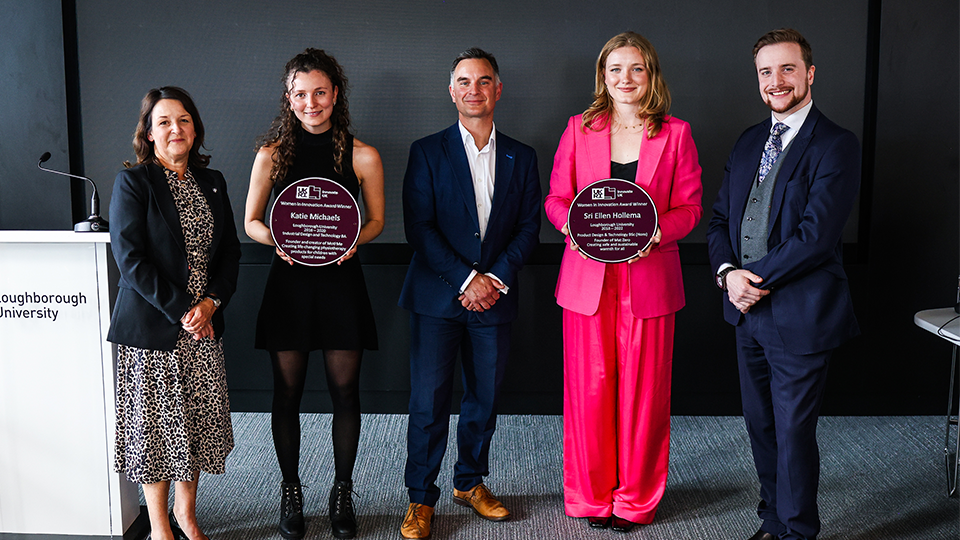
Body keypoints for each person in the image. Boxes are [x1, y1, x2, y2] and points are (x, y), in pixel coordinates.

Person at [544, 32, 702, 532]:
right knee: (589, 393)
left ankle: (634, 501)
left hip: (649, 280)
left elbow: (692, 209)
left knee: (643, 397)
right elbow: (554, 199)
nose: (625, 79)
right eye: (615, 69)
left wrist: (659, 232)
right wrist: (569, 222)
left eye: (635, 69)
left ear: (650, 74)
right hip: (588, 282)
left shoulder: (676, 133)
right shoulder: (579, 128)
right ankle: (590, 498)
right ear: (603, 76)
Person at [706, 29, 860, 540]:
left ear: (810, 74)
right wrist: (729, 277)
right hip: (745, 310)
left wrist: (755, 280)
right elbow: (719, 220)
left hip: (800, 313)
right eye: (766, 72)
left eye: (788, 69)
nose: (777, 81)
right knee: (762, 425)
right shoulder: (750, 140)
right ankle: (773, 519)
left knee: (794, 431)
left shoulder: (836, 144)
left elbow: (816, 237)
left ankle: (797, 531)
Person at [397, 47, 541, 539]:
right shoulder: (426, 151)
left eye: (483, 82)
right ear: (451, 90)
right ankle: (420, 498)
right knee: (429, 402)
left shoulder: (522, 156)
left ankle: (469, 482)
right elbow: (419, 228)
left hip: (496, 298)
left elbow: (527, 228)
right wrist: (466, 280)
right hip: (438, 298)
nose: (473, 90)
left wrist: (493, 279)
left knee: (484, 398)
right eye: (463, 81)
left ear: (497, 90)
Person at [243, 48, 385, 540]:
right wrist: (277, 241)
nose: (311, 102)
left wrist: (352, 241)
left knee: (346, 392)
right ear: (289, 98)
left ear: (335, 94)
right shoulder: (272, 153)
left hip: (342, 284)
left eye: (320, 92)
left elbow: (377, 222)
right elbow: (252, 222)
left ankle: (342, 491)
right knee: (287, 394)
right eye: (301, 94)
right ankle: (291, 490)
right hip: (289, 287)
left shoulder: (361, 154)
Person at [108, 86, 241, 540]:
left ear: (195, 128)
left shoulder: (214, 181)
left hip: (203, 329)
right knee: (158, 432)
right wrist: (185, 309)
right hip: (155, 331)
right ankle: (161, 527)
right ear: (148, 131)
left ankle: (188, 517)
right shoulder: (135, 182)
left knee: (196, 426)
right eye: (163, 121)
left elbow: (229, 255)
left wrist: (209, 305)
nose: (175, 129)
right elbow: (130, 259)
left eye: (183, 120)